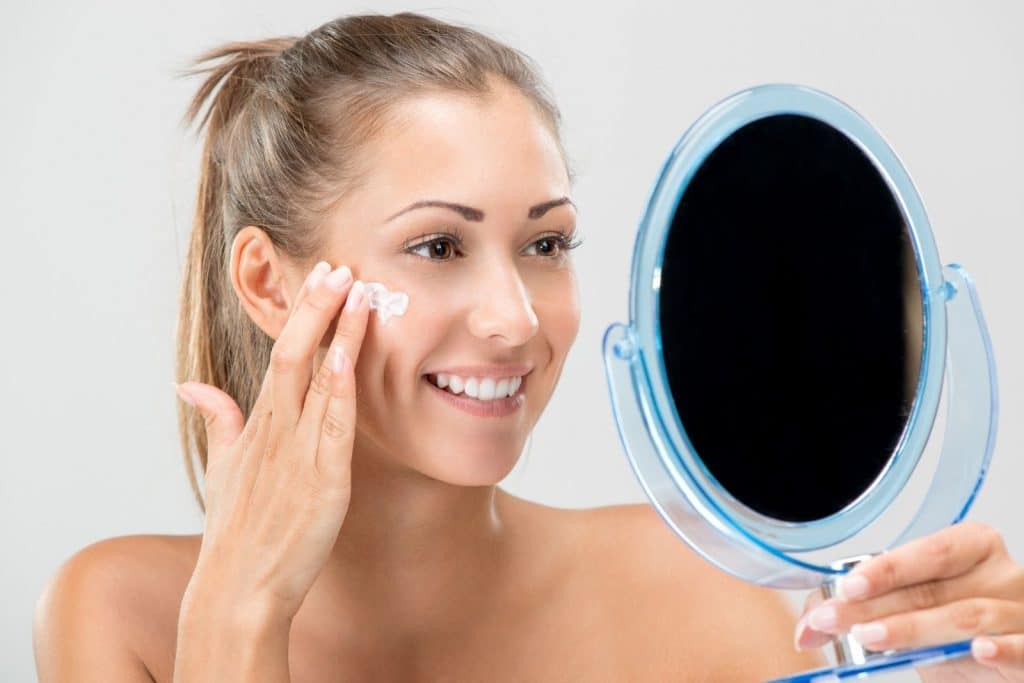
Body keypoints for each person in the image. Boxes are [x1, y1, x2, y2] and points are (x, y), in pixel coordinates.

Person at [31, 12, 1024, 682]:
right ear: (269, 281)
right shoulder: (124, 615)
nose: (513, 318)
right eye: (436, 246)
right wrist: (239, 621)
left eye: (544, 243)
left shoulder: (731, 586)